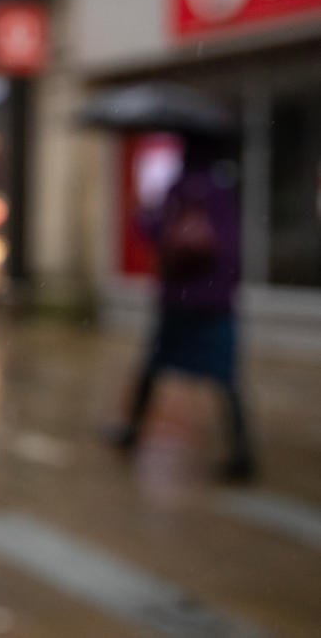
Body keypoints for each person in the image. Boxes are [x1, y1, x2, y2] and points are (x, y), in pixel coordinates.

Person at [111, 136, 255, 481]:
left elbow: (155, 231)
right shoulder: (223, 189)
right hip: (215, 303)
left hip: (181, 300)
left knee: (155, 364)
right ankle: (243, 452)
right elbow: (233, 250)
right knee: (225, 376)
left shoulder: (181, 188)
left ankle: (131, 430)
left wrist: (143, 213)